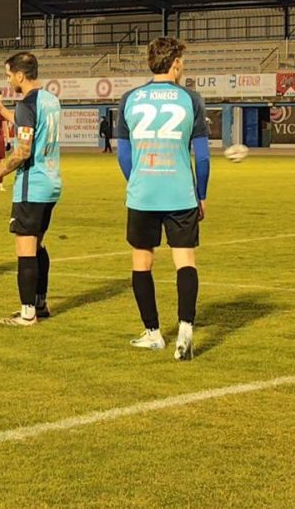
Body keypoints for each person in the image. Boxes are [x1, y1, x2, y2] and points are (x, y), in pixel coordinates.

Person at [116, 36, 210, 361]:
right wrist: (202, 194)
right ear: (175, 63)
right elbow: (203, 157)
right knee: (185, 261)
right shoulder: (191, 99)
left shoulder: (129, 98)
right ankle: (185, 330)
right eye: (182, 61)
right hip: (180, 193)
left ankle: (153, 333)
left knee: (142, 263)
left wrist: (138, 180)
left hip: (143, 194)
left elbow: (124, 155)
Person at [0, 52, 61, 326]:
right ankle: (41, 303)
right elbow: (31, 127)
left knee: (25, 248)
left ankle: (27, 313)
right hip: (52, 183)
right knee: (38, 245)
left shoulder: (28, 103)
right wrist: (4, 110)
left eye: (8, 75)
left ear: (19, 75)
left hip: (32, 185)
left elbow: (23, 150)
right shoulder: (50, 100)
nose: (8, 80)